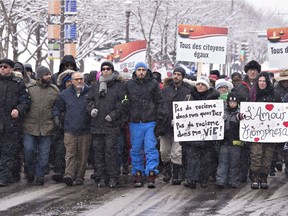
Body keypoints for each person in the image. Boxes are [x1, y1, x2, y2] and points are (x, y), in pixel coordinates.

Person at [87, 61, 126, 188]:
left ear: (112, 70)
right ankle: (101, 177)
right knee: (98, 153)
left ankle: (113, 177)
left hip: (112, 125)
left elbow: (124, 103)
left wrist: (113, 115)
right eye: (103, 69)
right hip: (97, 125)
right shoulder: (95, 86)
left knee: (111, 152)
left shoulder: (119, 86)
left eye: (108, 69)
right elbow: (89, 101)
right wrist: (91, 109)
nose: (105, 71)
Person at [125, 62, 163, 188]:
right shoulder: (129, 85)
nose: (141, 72)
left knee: (150, 148)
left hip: (150, 120)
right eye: (139, 70)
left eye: (143, 70)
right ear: (135, 71)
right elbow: (125, 101)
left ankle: (151, 173)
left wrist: (159, 118)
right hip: (135, 120)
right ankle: (138, 172)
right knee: (136, 149)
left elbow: (159, 101)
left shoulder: (153, 84)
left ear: (147, 71)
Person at [23, 66, 59, 185]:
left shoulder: (54, 90)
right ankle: (30, 171)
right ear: (39, 76)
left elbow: (58, 106)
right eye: (46, 74)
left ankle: (40, 175)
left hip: (47, 127)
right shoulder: (30, 89)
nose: (49, 76)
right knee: (28, 151)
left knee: (44, 155)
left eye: (49, 74)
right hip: (30, 126)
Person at [54, 72, 91, 186]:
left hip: (85, 129)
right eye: (76, 79)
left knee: (83, 155)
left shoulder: (90, 93)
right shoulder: (65, 94)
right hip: (70, 129)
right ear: (72, 81)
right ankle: (69, 175)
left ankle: (80, 176)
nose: (79, 81)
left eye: (81, 79)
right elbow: (57, 107)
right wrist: (56, 117)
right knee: (70, 154)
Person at [157, 67, 191, 185]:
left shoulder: (187, 91)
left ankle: (176, 174)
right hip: (165, 125)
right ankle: (167, 171)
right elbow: (160, 106)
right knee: (164, 151)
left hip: (180, 125)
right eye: (174, 74)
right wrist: (165, 119)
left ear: (183, 76)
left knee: (177, 152)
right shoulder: (165, 90)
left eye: (179, 75)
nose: (176, 76)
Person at [184, 76, 219, 189]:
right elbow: (183, 113)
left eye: (203, 84)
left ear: (207, 87)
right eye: (198, 84)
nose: (200, 86)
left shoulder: (214, 99)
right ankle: (191, 179)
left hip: (207, 134)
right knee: (192, 157)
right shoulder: (189, 98)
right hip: (192, 134)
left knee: (206, 158)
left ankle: (204, 179)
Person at [0, 58, 31, 186]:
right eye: (1, 66)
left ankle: (4, 177)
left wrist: (18, 109)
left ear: (11, 69)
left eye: (5, 67)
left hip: (11, 124)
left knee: (8, 151)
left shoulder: (18, 83)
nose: (2, 68)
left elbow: (25, 101)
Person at [248, 72, 281, 189]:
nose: (262, 83)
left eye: (264, 81)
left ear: (267, 82)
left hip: (270, 133)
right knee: (256, 155)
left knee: (267, 156)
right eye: (260, 81)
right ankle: (255, 177)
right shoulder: (252, 95)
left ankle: (263, 177)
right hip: (256, 131)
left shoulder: (275, 95)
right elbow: (247, 112)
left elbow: (280, 112)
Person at [216, 92, 244, 189]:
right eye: (230, 102)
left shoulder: (241, 113)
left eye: (234, 102)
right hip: (224, 142)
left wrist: (241, 119)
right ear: (227, 102)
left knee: (234, 163)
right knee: (222, 162)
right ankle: (220, 181)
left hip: (236, 143)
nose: (232, 104)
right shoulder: (222, 112)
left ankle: (233, 181)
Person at [51, 69, 75, 183]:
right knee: (60, 150)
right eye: (67, 82)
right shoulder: (61, 95)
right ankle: (60, 171)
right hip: (62, 126)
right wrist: (56, 117)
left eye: (71, 81)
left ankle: (71, 172)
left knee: (73, 151)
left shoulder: (79, 94)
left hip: (74, 126)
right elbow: (56, 107)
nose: (70, 83)